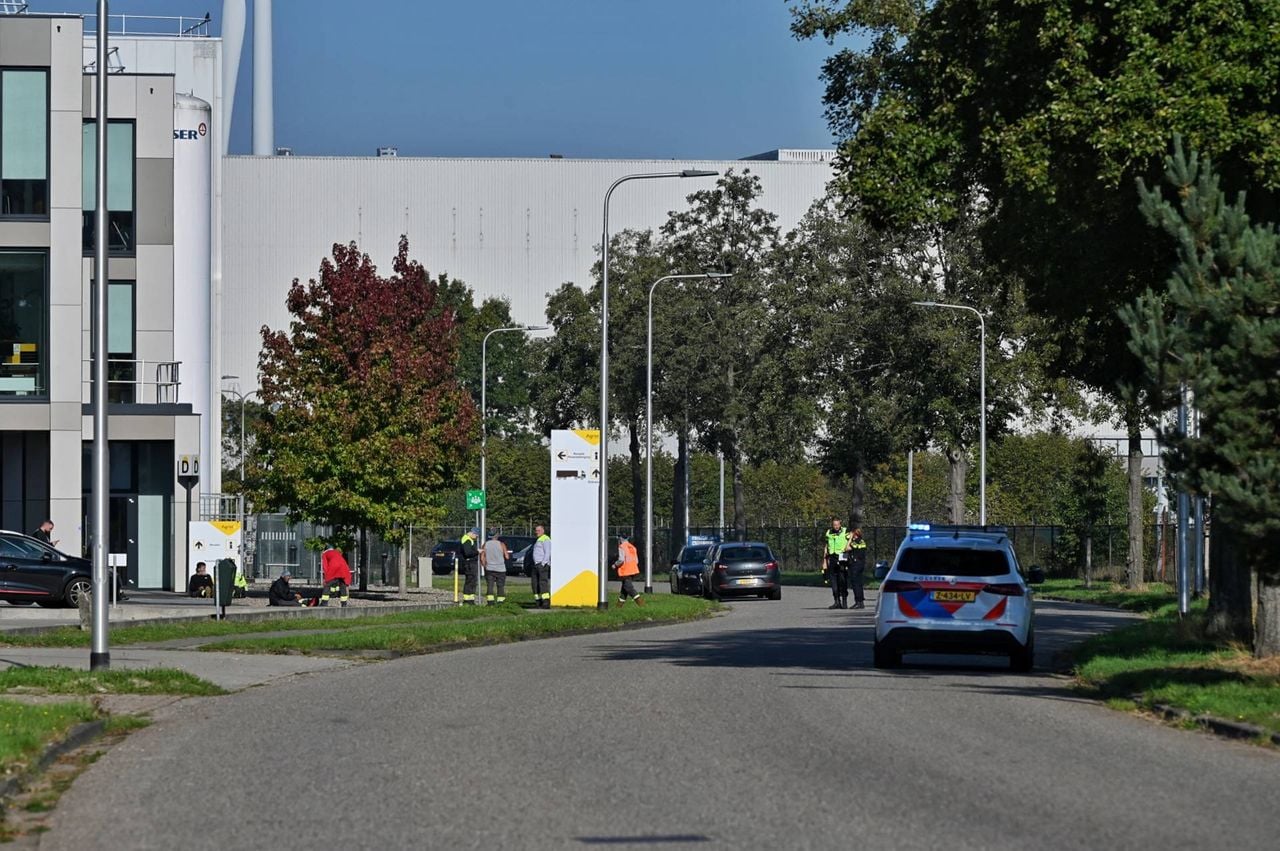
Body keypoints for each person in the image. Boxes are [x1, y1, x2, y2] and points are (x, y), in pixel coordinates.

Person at [824, 518, 852, 609]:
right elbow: (826, 545)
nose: (836, 526)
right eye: (834, 525)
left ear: (840, 524)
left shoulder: (845, 531)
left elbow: (851, 537)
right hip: (832, 557)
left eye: (837, 525)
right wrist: (824, 560)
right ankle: (836, 601)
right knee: (833, 581)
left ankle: (844, 601)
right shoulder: (829, 532)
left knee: (842, 580)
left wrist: (848, 546)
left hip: (842, 558)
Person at [612, 533, 643, 607]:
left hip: (625, 571)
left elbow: (621, 560)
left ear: (621, 538)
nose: (618, 539)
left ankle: (641, 604)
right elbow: (636, 561)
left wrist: (615, 565)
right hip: (633, 570)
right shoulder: (632, 547)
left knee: (629, 588)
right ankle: (618, 607)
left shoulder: (622, 547)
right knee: (624, 590)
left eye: (618, 538)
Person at [480, 531, 509, 604]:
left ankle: (490, 601)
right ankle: (500, 601)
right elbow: (507, 556)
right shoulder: (501, 544)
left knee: (490, 585)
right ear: (497, 536)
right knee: (500, 585)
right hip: (501, 568)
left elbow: (482, 557)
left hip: (489, 568)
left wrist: (484, 565)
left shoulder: (485, 544)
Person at [530, 525, 552, 609]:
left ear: (543, 530)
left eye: (538, 530)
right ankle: (537, 601)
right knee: (534, 583)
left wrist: (543, 563)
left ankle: (545, 602)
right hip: (536, 564)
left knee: (543, 583)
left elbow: (547, 552)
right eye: (536, 530)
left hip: (541, 564)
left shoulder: (546, 539)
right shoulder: (539, 539)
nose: (536, 532)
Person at [847, 528, 868, 609]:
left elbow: (847, 548)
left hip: (855, 564)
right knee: (859, 583)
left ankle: (858, 601)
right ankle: (861, 602)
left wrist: (849, 539)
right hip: (861, 564)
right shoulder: (862, 541)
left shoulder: (855, 542)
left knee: (855, 583)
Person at [459, 527, 480, 604]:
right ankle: (467, 600)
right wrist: (477, 552)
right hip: (469, 563)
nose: (477, 537)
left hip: (470, 563)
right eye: (476, 535)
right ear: (473, 533)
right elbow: (468, 553)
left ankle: (470, 599)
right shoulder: (467, 540)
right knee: (470, 581)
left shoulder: (468, 539)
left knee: (472, 581)